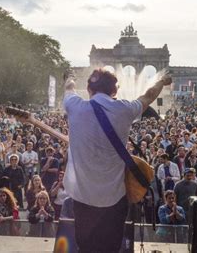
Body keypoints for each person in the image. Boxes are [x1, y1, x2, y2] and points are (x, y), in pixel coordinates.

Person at [60, 68, 171, 252]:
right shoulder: (124, 109)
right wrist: (162, 82)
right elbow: (148, 96)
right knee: (111, 248)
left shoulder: (75, 106)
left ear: (89, 89)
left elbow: (69, 88)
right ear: (115, 91)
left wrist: (70, 76)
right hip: (114, 198)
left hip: (83, 197)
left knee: (85, 247)